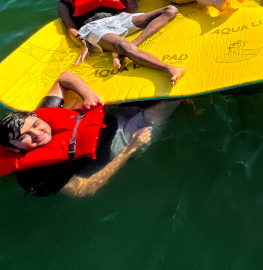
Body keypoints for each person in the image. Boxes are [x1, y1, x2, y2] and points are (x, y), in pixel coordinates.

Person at [0, 71, 181, 197]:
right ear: (13, 148)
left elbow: (64, 77)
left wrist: (87, 94)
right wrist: (131, 149)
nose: (37, 133)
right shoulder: (36, 172)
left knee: (154, 92)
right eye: (23, 137)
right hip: (123, 141)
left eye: (36, 124)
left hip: (111, 118)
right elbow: (84, 189)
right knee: (173, 99)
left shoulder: (41, 116)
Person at [57, 0, 185, 85]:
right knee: (123, 45)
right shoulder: (65, 3)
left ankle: (122, 51)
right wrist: (84, 43)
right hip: (93, 27)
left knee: (170, 10)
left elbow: (132, 9)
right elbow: (70, 26)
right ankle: (169, 68)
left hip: (119, 19)